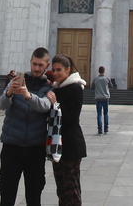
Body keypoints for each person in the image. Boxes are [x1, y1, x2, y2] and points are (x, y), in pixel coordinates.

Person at [0, 47, 54, 206]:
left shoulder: (49, 87)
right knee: (7, 194)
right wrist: (9, 92)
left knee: (34, 195)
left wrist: (27, 95)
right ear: (30, 62)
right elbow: (2, 105)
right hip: (11, 147)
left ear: (46, 65)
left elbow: (45, 106)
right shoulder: (16, 80)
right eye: (34, 64)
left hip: (35, 149)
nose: (36, 68)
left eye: (40, 65)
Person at [48, 54, 87, 206]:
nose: (56, 73)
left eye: (59, 70)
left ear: (68, 70)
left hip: (71, 146)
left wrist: (54, 103)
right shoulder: (58, 87)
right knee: (62, 190)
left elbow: (70, 118)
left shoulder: (75, 88)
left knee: (71, 189)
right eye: (54, 70)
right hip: (58, 145)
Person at [93, 66, 110, 134]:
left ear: (98, 71)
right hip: (105, 98)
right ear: (104, 71)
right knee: (105, 113)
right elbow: (111, 85)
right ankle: (106, 128)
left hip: (98, 98)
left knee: (99, 114)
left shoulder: (95, 79)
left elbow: (92, 87)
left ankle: (100, 129)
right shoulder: (107, 79)